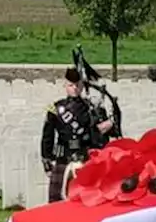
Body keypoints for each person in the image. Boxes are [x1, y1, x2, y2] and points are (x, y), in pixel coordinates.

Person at [40, 68, 113, 203]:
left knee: (87, 200)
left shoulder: (91, 108)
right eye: (71, 85)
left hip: (86, 157)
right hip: (63, 157)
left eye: (77, 85)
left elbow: (103, 137)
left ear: (82, 86)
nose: (74, 88)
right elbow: (47, 137)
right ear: (65, 86)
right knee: (56, 201)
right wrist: (47, 159)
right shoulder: (56, 109)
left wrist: (107, 125)